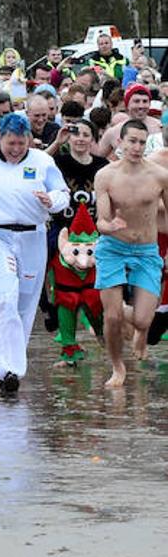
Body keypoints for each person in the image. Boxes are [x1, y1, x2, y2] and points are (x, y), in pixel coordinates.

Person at [0, 112, 69, 395]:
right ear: (0, 138)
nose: (16, 149)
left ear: (29, 140)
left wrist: (52, 200)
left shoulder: (43, 161)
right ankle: (7, 368)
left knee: (24, 302)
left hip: (33, 235)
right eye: (11, 143)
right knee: (2, 295)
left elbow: (62, 193)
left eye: (22, 143)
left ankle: (8, 362)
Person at [93, 119, 168, 388]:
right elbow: (100, 221)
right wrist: (109, 226)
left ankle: (121, 310)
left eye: (141, 142)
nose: (136, 147)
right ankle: (117, 368)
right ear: (120, 143)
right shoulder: (105, 176)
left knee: (142, 320)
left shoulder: (159, 175)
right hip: (113, 248)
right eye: (131, 141)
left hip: (147, 251)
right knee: (112, 317)